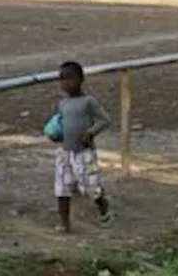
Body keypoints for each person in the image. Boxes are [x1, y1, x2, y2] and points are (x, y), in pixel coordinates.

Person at [48, 61, 111, 232]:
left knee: (90, 184)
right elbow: (60, 123)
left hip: (84, 152)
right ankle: (64, 223)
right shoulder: (63, 103)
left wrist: (90, 132)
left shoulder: (88, 102)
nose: (65, 83)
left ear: (81, 79)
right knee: (62, 187)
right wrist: (56, 134)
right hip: (65, 151)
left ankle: (102, 204)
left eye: (70, 79)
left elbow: (105, 120)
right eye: (62, 79)